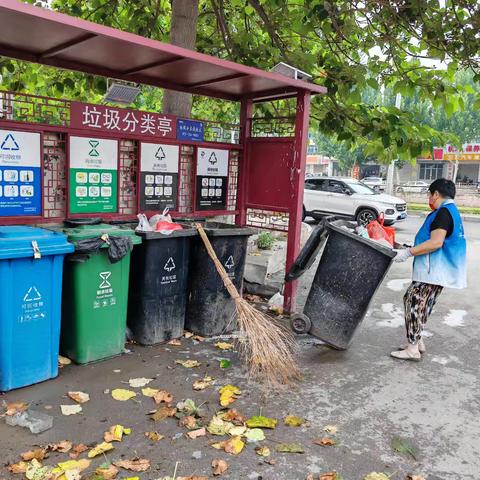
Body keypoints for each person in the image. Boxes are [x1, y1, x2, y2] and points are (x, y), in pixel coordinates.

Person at [391, 178, 467, 361]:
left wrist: (408, 253)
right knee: (422, 305)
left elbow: (436, 242)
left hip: (432, 272)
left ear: (436, 194)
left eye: (429, 194)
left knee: (413, 301)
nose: (429, 198)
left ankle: (412, 349)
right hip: (438, 272)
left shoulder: (443, 213)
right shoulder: (451, 211)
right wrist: (406, 246)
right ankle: (417, 341)